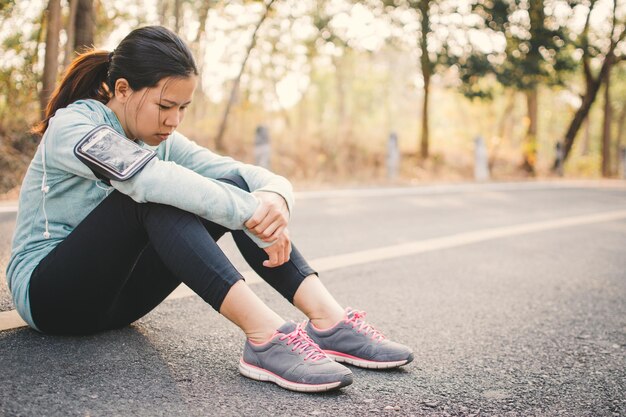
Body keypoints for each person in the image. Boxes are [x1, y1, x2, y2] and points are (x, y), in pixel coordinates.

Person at [6, 26, 413, 393]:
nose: (174, 121)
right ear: (123, 89)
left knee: (226, 187)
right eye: (166, 106)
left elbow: (237, 174)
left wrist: (274, 197)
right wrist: (247, 211)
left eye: (183, 108)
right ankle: (266, 336)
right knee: (153, 197)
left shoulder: (157, 138)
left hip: (118, 303)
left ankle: (330, 322)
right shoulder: (75, 127)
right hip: (50, 298)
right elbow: (148, 182)